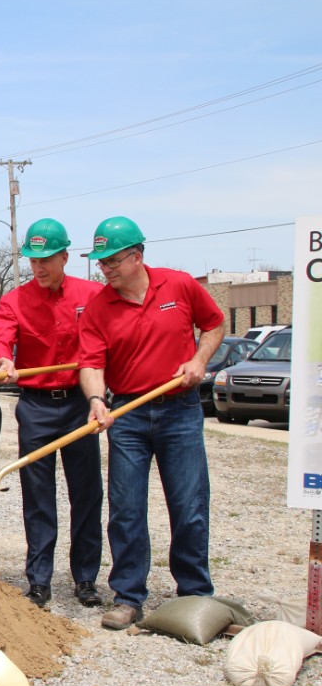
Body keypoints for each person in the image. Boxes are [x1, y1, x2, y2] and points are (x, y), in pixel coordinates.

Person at [78, 216, 224, 630]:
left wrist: (198, 360)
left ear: (137, 256)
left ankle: (195, 594)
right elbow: (91, 362)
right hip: (128, 413)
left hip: (180, 410)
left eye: (111, 261)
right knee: (125, 508)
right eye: (100, 263)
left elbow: (213, 324)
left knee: (189, 504)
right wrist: (95, 399)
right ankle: (129, 595)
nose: (104, 269)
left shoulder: (178, 286)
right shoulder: (98, 307)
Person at [0, 218, 104, 608]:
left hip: (78, 403)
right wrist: (3, 359)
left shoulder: (92, 294)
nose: (39, 267)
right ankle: (39, 579)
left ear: (65, 256)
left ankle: (86, 578)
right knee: (38, 495)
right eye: (33, 260)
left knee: (86, 492)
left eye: (46, 259)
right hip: (35, 406)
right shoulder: (15, 300)